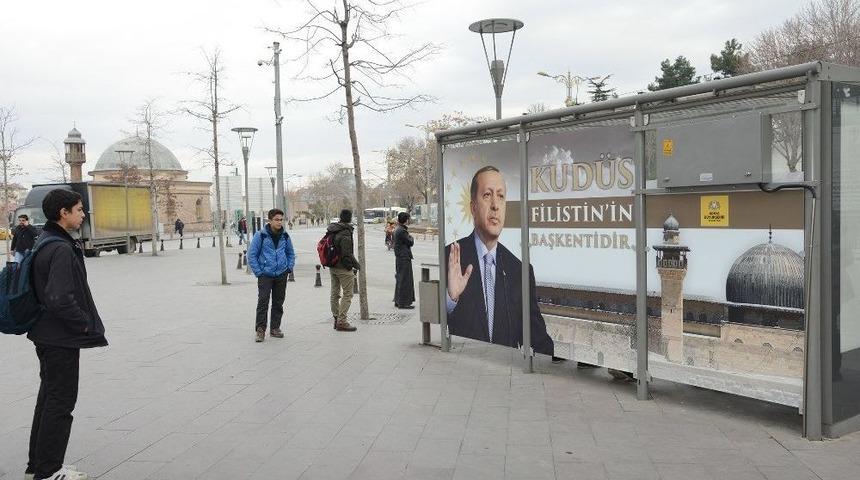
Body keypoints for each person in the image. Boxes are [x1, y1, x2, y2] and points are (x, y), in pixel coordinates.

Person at [25, 189, 108, 480]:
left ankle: (37, 465)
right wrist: (83, 323)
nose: (83, 214)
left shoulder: (45, 241)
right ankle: (49, 471)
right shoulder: (59, 247)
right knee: (60, 403)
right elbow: (59, 297)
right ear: (64, 213)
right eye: (79, 209)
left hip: (46, 334)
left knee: (48, 399)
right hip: (60, 337)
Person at [445, 165, 554, 356]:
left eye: (501, 196)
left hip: (505, 374)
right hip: (461, 370)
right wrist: (451, 299)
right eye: (487, 195)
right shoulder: (451, 257)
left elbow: (538, 339)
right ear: (473, 207)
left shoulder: (520, 271)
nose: (495, 205)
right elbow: (431, 330)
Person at [248, 208, 296, 343]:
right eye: (276, 219)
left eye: (281, 219)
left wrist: (289, 268)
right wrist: (259, 272)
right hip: (265, 275)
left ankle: (275, 328)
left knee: (278, 302)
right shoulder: (261, 235)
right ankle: (260, 330)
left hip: (281, 273)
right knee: (263, 302)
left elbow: (291, 253)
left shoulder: (285, 235)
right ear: (269, 220)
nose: (279, 222)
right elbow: (252, 255)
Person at [327, 209, 361, 332]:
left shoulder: (333, 229)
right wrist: (355, 266)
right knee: (348, 294)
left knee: (335, 293)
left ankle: (336, 318)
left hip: (333, 265)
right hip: (342, 267)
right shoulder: (345, 232)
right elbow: (347, 254)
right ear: (350, 218)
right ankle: (342, 321)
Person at [393, 212, 415, 309]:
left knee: (400, 279)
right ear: (406, 220)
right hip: (404, 257)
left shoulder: (398, 229)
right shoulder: (402, 231)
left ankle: (398, 300)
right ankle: (403, 303)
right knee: (405, 280)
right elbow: (410, 242)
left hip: (400, 258)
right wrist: (411, 237)